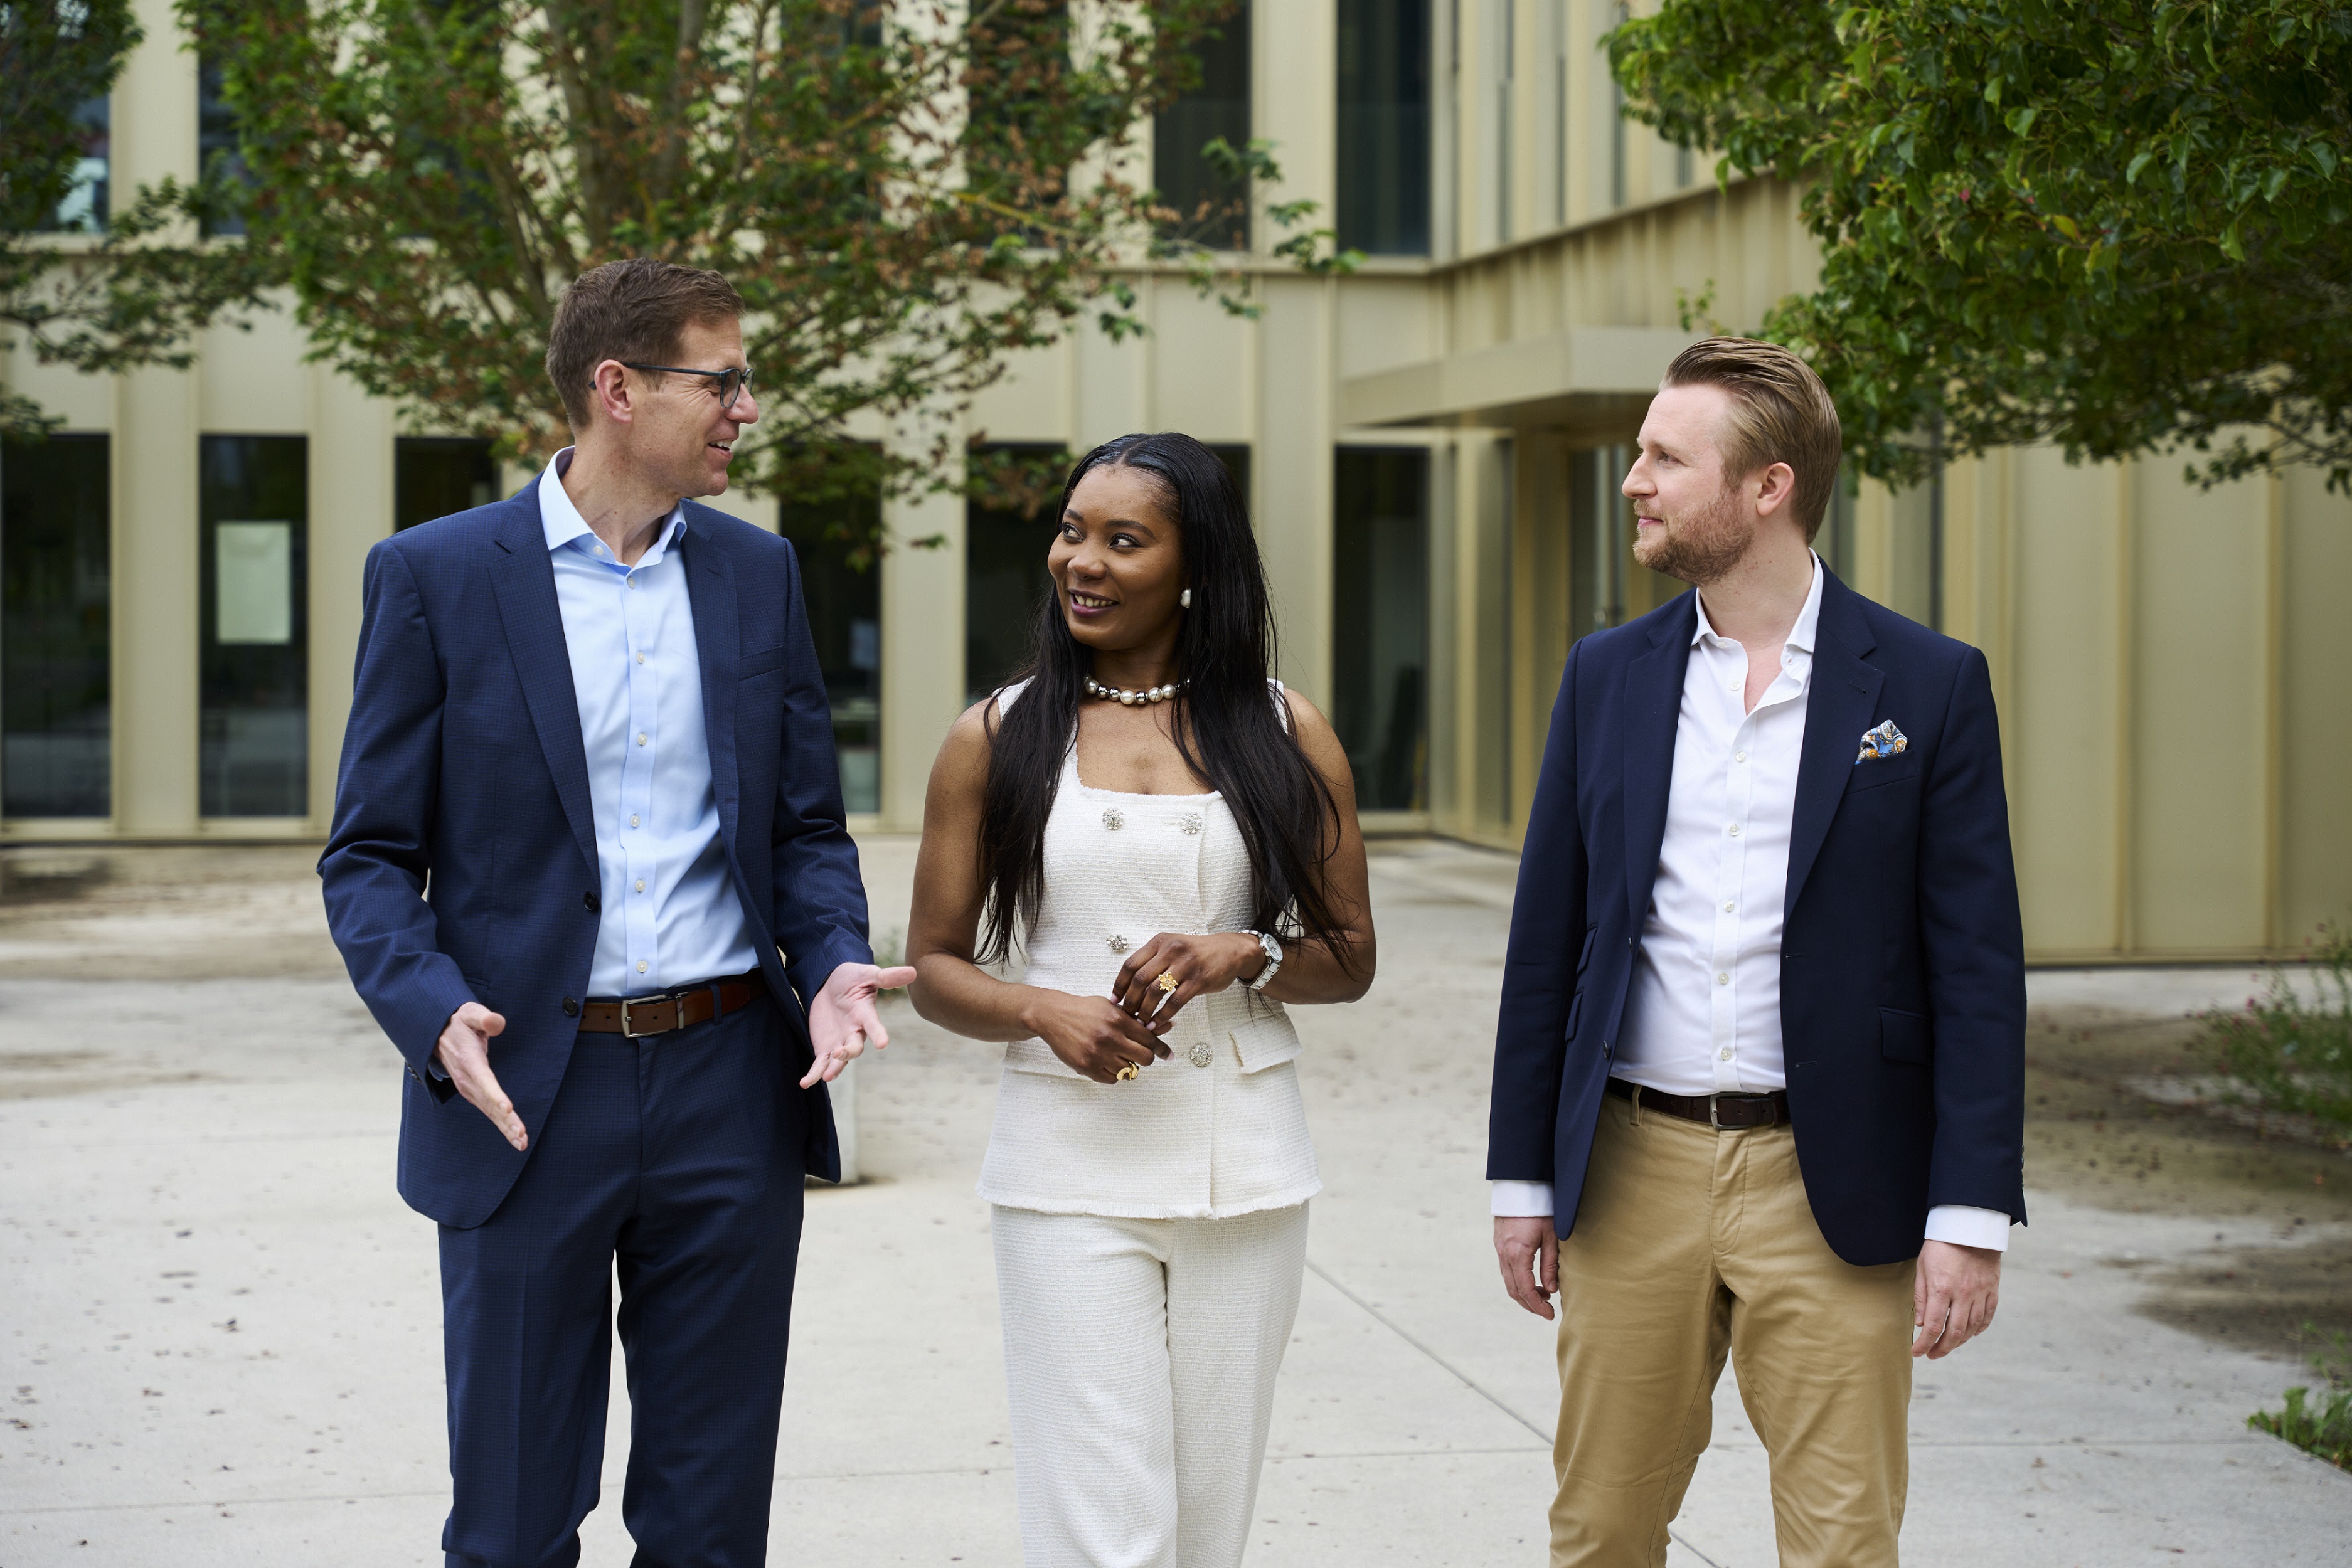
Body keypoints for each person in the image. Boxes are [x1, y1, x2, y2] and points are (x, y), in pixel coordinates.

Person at [319, 257, 913, 1568]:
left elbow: (807, 824)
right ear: (617, 387)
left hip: (727, 1085)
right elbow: (366, 853)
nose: (745, 409)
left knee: (710, 1523)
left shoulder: (759, 575)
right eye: (724, 380)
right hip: (527, 1084)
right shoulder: (436, 575)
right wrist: (429, 1012)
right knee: (515, 1521)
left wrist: (831, 959)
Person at [1487, 337, 2026, 1567]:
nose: (1635, 480)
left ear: (1769, 485)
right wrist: (1524, 1177)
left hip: (1836, 1181)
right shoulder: (1606, 677)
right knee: (1602, 1530)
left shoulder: (1931, 686)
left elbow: (1979, 965)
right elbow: (1546, 943)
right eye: (1638, 454)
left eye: (1666, 457)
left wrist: (1970, 1211)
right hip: (1630, 1172)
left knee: (1844, 1538)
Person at [904, 432, 1376, 1567]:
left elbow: (1349, 955)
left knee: (1208, 1527)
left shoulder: (1283, 728)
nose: (1085, 560)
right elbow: (932, 965)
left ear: (1194, 568)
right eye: (1073, 532)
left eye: (1124, 540)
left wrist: (1244, 953)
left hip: (1243, 1163)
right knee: (1102, 1529)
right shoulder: (998, 734)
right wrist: (1038, 1011)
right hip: (1069, 1168)